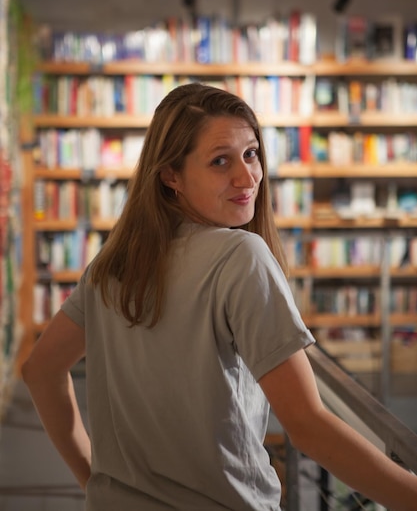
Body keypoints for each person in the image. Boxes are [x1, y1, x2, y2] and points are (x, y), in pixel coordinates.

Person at [22, 82, 417, 511]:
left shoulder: (113, 266)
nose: (247, 176)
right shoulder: (240, 257)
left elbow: (40, 372)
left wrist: (93, 480)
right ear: (170, 175)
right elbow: (306, 424)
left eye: (251, 154)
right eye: (220, 161)